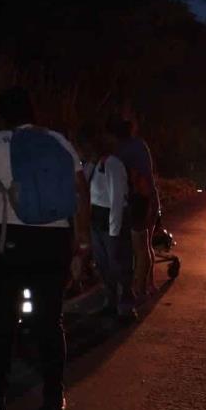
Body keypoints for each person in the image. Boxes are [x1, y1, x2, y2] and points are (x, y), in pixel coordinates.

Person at [0, 86, 91, 410]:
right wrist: (81, 241)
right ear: (33, 113)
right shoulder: (59, 141)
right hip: (55, 240)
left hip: (7, 238)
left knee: (1, 320)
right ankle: (53, 396)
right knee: (49, 321)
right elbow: (81, 191)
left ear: (0, 116)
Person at [76, 123, 136, 320]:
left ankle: (126, 306)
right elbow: (83, 185)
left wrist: (114, 230)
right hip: (97, 217)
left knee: (118, 264)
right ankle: (110, 301)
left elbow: (117, 199)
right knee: (103, 264)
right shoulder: (92, 165)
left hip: (112, 217)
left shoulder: (112, 164)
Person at [108, 116, 159, 299]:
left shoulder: (121, 150)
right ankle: (147, 284)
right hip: (145, 197)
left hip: (138, 199)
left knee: (139, 246)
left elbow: (138, 178)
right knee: (144, 245)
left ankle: (139, 288)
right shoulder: (139, 145)